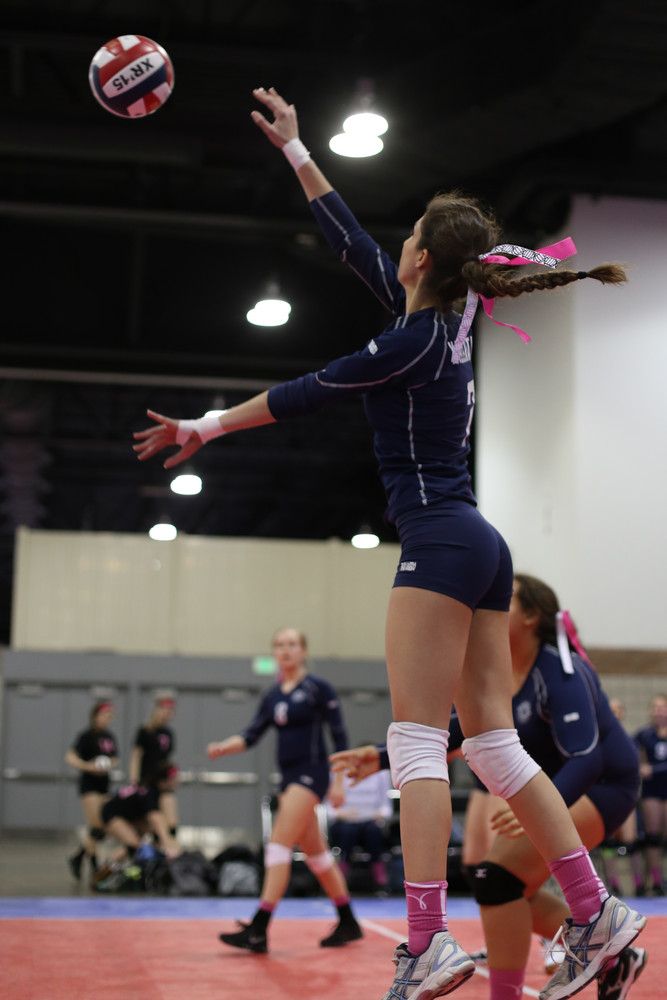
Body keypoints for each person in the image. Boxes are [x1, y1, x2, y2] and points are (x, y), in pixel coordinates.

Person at [133, 86, 645, 1000]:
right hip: (478, 542)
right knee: (492, 747)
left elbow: (302, 393)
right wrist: (297, 151)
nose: (395, 244)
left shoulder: (409, 340)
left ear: (423, 260)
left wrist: (204, 426)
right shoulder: (445, 317)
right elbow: (350, 245)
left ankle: (426, 943)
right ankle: (596, 913)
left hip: (440, 542)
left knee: (413, 743)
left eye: (407, 235)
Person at [331, 574, 648, 1000]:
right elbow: (465, 729)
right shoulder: (502, 670)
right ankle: (612, 954)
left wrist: (536, 808)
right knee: (497, 883)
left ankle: (542, 975)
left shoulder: (560, 669)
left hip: (604, 785)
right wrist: (381, 755)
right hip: (566, 786)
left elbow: (587, 758)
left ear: (532, 617)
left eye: (506, 598)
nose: (487, 603)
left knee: (499, 878)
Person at [206, 627, 362, 953]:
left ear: (303, 651)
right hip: (288, 778)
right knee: (317, 855)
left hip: (312, 775)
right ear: (274, 653)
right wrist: (223, 747)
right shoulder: (273, 695)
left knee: (278, 845)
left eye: (292, 644)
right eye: (279, 645)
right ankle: (348, 921)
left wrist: (339, 782)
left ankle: (259, 928)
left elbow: (340, 736)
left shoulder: (318, 688)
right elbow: (251, 734)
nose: (285, 650)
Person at [94, 760, 182, 882]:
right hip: (111, 813)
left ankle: (110, 870)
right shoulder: (150, 792)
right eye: (174, 778)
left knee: (145, 841)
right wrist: (169, 844)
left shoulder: (152, 789)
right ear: (163, 781)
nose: (178, 781)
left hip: (129, 815)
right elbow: (156, 819)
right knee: (134, 845)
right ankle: (103, 874)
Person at [65, 700, 118, 881]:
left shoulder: (109, 737)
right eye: (105, 715)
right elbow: (70, 757)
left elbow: (114, 758)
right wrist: (88, 766)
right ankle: (94, 865)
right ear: (95, 716)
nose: (108, 719)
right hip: (89, 785)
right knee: (96, 826)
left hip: (104, 785)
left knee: (102, 828)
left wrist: (108, 765)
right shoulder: (86, 736)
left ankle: (78, 856)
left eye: (110, 716)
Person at [600, 699, 644, 897]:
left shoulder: (629, 740)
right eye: (611, 710)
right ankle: (614, 885)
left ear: (622, 713)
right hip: (605, 795)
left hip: (625, 795)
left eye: (617, 710)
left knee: (630, 842)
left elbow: (635, 767)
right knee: (608, 843)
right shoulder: (598, 738)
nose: (614, 713)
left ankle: (639, 885)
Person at [327, 763, 394, 893]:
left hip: (371, 821)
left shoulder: (381, 774)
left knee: (373, 832)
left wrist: (375, 815)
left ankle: (381, 882)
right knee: (348, 833)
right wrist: (343, 814)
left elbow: (386, 808)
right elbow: (330, 809)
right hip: (345, 823)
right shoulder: (338, 773)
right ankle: (339, 882)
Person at [130, 696, 178, 837]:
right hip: (147, 783)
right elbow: (136, 757)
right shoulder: (145, 731)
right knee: (149, 826)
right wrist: (134, 781)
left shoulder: (168, 733)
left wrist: (172, 778)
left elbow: (167, 761)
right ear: (157, 710)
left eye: (170, 711)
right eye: (165, 710)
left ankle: (167, 847)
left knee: (171, 825)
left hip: (162, 783)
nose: (167, 714)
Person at [633, 693, 667, 895]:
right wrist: (640, 765)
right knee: (653, 837)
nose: (659, 711)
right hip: (652, 790)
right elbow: (630, 750)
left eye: (662, 707)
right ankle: (655, 881)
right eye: (655, 708)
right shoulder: (645, 734)